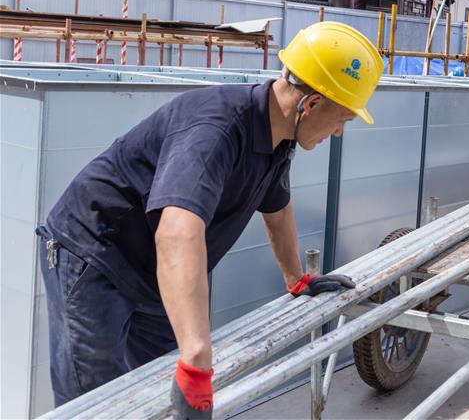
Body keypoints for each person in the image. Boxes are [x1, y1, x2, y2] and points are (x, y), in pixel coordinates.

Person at [35, 22, 383, 418]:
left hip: (151, 267)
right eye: (343, 119)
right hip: (94, 252)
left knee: (161, 382)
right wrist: (199, 358)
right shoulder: (217, 129)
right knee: (96, 401)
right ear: (312, 104)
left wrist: (295, 277)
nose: (338, 133)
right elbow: (177, 232)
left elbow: (276, 203)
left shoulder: (279, 136)